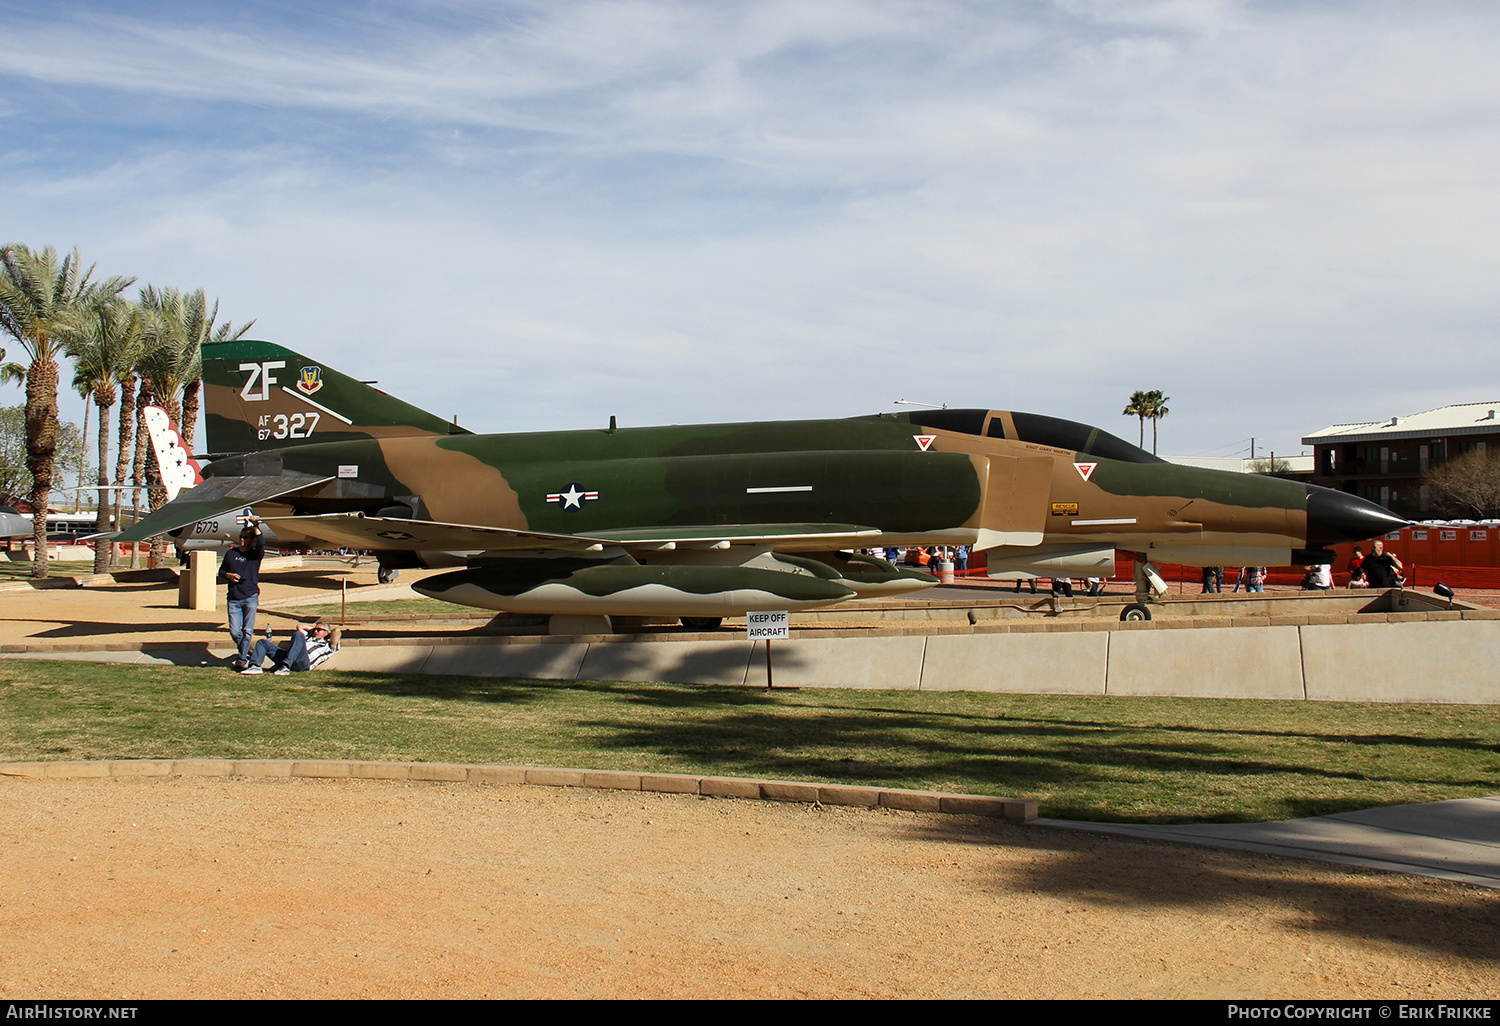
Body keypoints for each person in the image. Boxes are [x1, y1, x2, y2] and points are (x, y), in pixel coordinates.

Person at [218, 519, 265, 669]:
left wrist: (256, 527)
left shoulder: (254, 555)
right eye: (241, 536)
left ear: (252, 540)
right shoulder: (231, 554)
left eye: (245, 537)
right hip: (233, 598)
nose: (242, 540)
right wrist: (228, 576)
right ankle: (246, 651)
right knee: (234, 631)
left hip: (250, 597)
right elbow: (221, 571)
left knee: (247, 630)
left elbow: (262, 544)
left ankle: (242, 659)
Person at [241, 621, 342, 675]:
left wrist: (327, 635)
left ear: (327, 633)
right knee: (263, 642)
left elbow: (337, 631)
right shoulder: (308, 637)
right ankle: (255, 666)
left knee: (298, 635)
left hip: (303, 664)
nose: (316, 631)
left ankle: (285, 667)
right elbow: (299, 626)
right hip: (289, 657)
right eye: (315, 629)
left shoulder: (329, 645)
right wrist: (312, 629)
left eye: (319, 630)